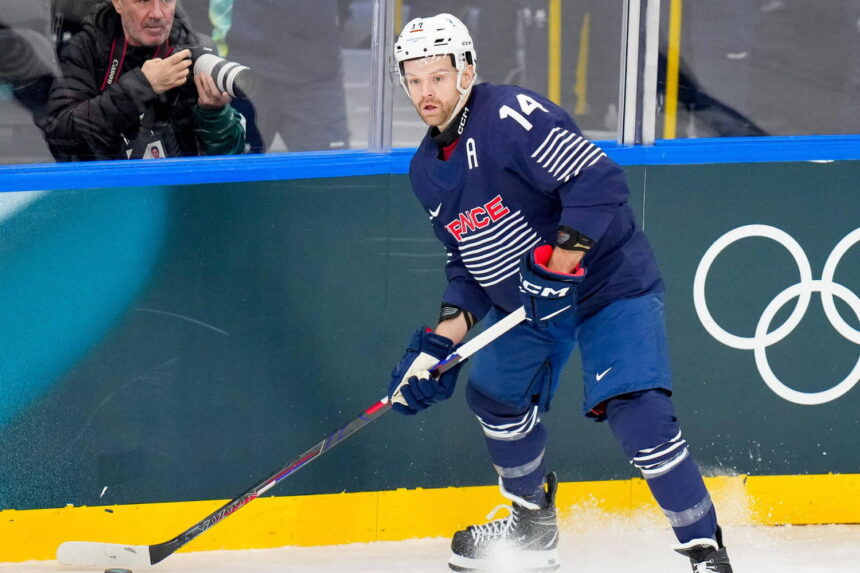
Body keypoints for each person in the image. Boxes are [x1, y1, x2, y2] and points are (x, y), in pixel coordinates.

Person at [386, 13, 733, 573]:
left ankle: (704, 550)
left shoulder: (508, 116)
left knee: (639, 415)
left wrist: (558, 266)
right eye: (414, 79)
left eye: (438, 76)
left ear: (466, 71)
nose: (426, 92)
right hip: (526, 304)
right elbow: (469, 268)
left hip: (604, 283)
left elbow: (598, 182)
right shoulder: (425, 170)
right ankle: (532, 525)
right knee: (494, 397)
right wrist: (437, 346)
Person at [41, 0, 245, 161]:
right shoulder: (88, 48)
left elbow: (230, 159)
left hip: (179, 196)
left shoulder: (191, 48)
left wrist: (214, 114)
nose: (157, 13)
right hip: (111, 195)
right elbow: (61, 134)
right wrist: (141, 86)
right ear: (118, 3)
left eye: (166, 0)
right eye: (143, 1)